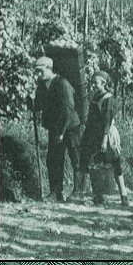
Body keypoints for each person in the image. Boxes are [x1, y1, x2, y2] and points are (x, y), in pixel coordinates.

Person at [32, 56, 82, 202]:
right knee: (53, 159)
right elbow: (38, 106)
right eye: (36, 72)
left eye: (40, 71)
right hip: (54, 127)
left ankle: (78, 192)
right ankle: (56, 193)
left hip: (70, 126)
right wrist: (31, 100)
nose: (38, 75)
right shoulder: (41, 86)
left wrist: (61, 132)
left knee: (76, 159)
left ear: (48, 68)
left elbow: (68, 110)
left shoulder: (62, 84)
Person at [80, 70, 129, 206]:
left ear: (104, 83)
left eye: (96, 83)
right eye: (92, 83)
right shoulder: (96, 96)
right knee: (95, 164)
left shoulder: (108, 99)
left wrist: (104, 139)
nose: (93, 85)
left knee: (115, 162)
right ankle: (98, 196)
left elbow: (107, 119)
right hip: (93, 134)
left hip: (106, 135)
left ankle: (123, 195)